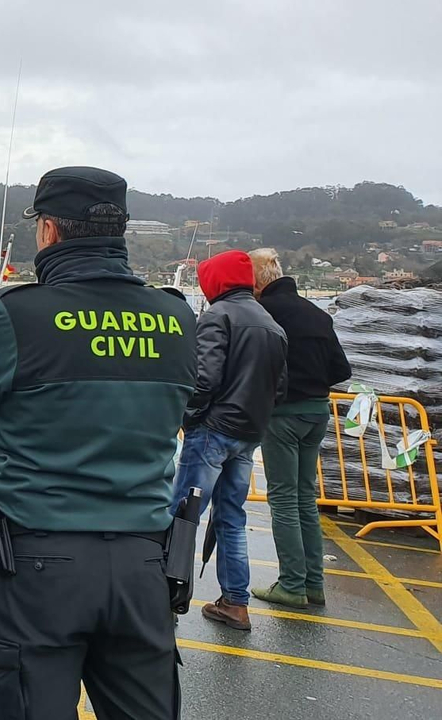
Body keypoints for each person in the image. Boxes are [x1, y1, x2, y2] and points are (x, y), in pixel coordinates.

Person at [0, 166, 198, 719]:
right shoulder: (177, 317)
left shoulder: (18, 314)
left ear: (50, 231)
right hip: (143, 561)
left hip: (40, 561)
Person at [171, 250, 287, 631]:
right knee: (232, 519)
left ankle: (159, 596)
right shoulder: (271, 324)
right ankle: (235, 602)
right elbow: (280, 387)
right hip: (248, 433)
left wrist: (188, 417)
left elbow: (204, 379)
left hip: (212, 430)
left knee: (182, 515)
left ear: (214, 282)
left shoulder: (217, 317)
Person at [248, 248, 350, 608]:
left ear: (256, 281)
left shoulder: (264, 314)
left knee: (283, 500)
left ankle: (291, 584)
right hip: (317, 413)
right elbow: (342, 371)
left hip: (283, 416)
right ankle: (313, 583)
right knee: (306, 498)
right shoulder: (317, 315)